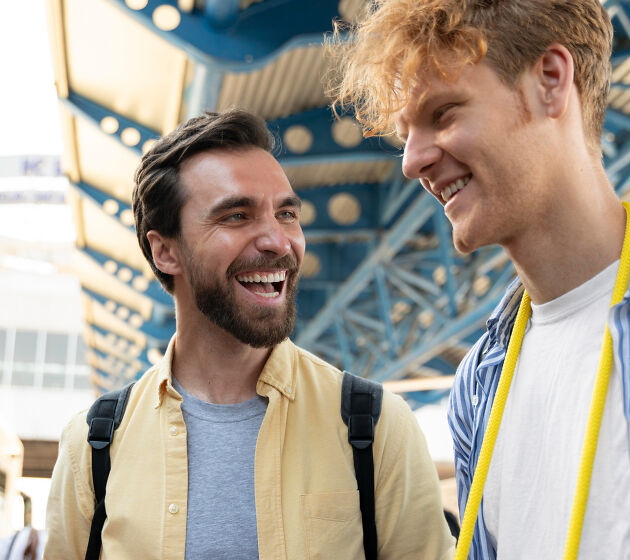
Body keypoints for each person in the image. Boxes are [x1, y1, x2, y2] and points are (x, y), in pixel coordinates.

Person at [330, 0, 630, 558]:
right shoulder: (481, 380)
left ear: (550, 81)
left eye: (445, 113)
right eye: (407, 132)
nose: (410, 162)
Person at [44, 109, 455, 559]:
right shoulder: (93, 446)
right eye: (237, 216)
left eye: (286, 213)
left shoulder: (375, 428)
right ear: (165, 251)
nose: (279, 241)